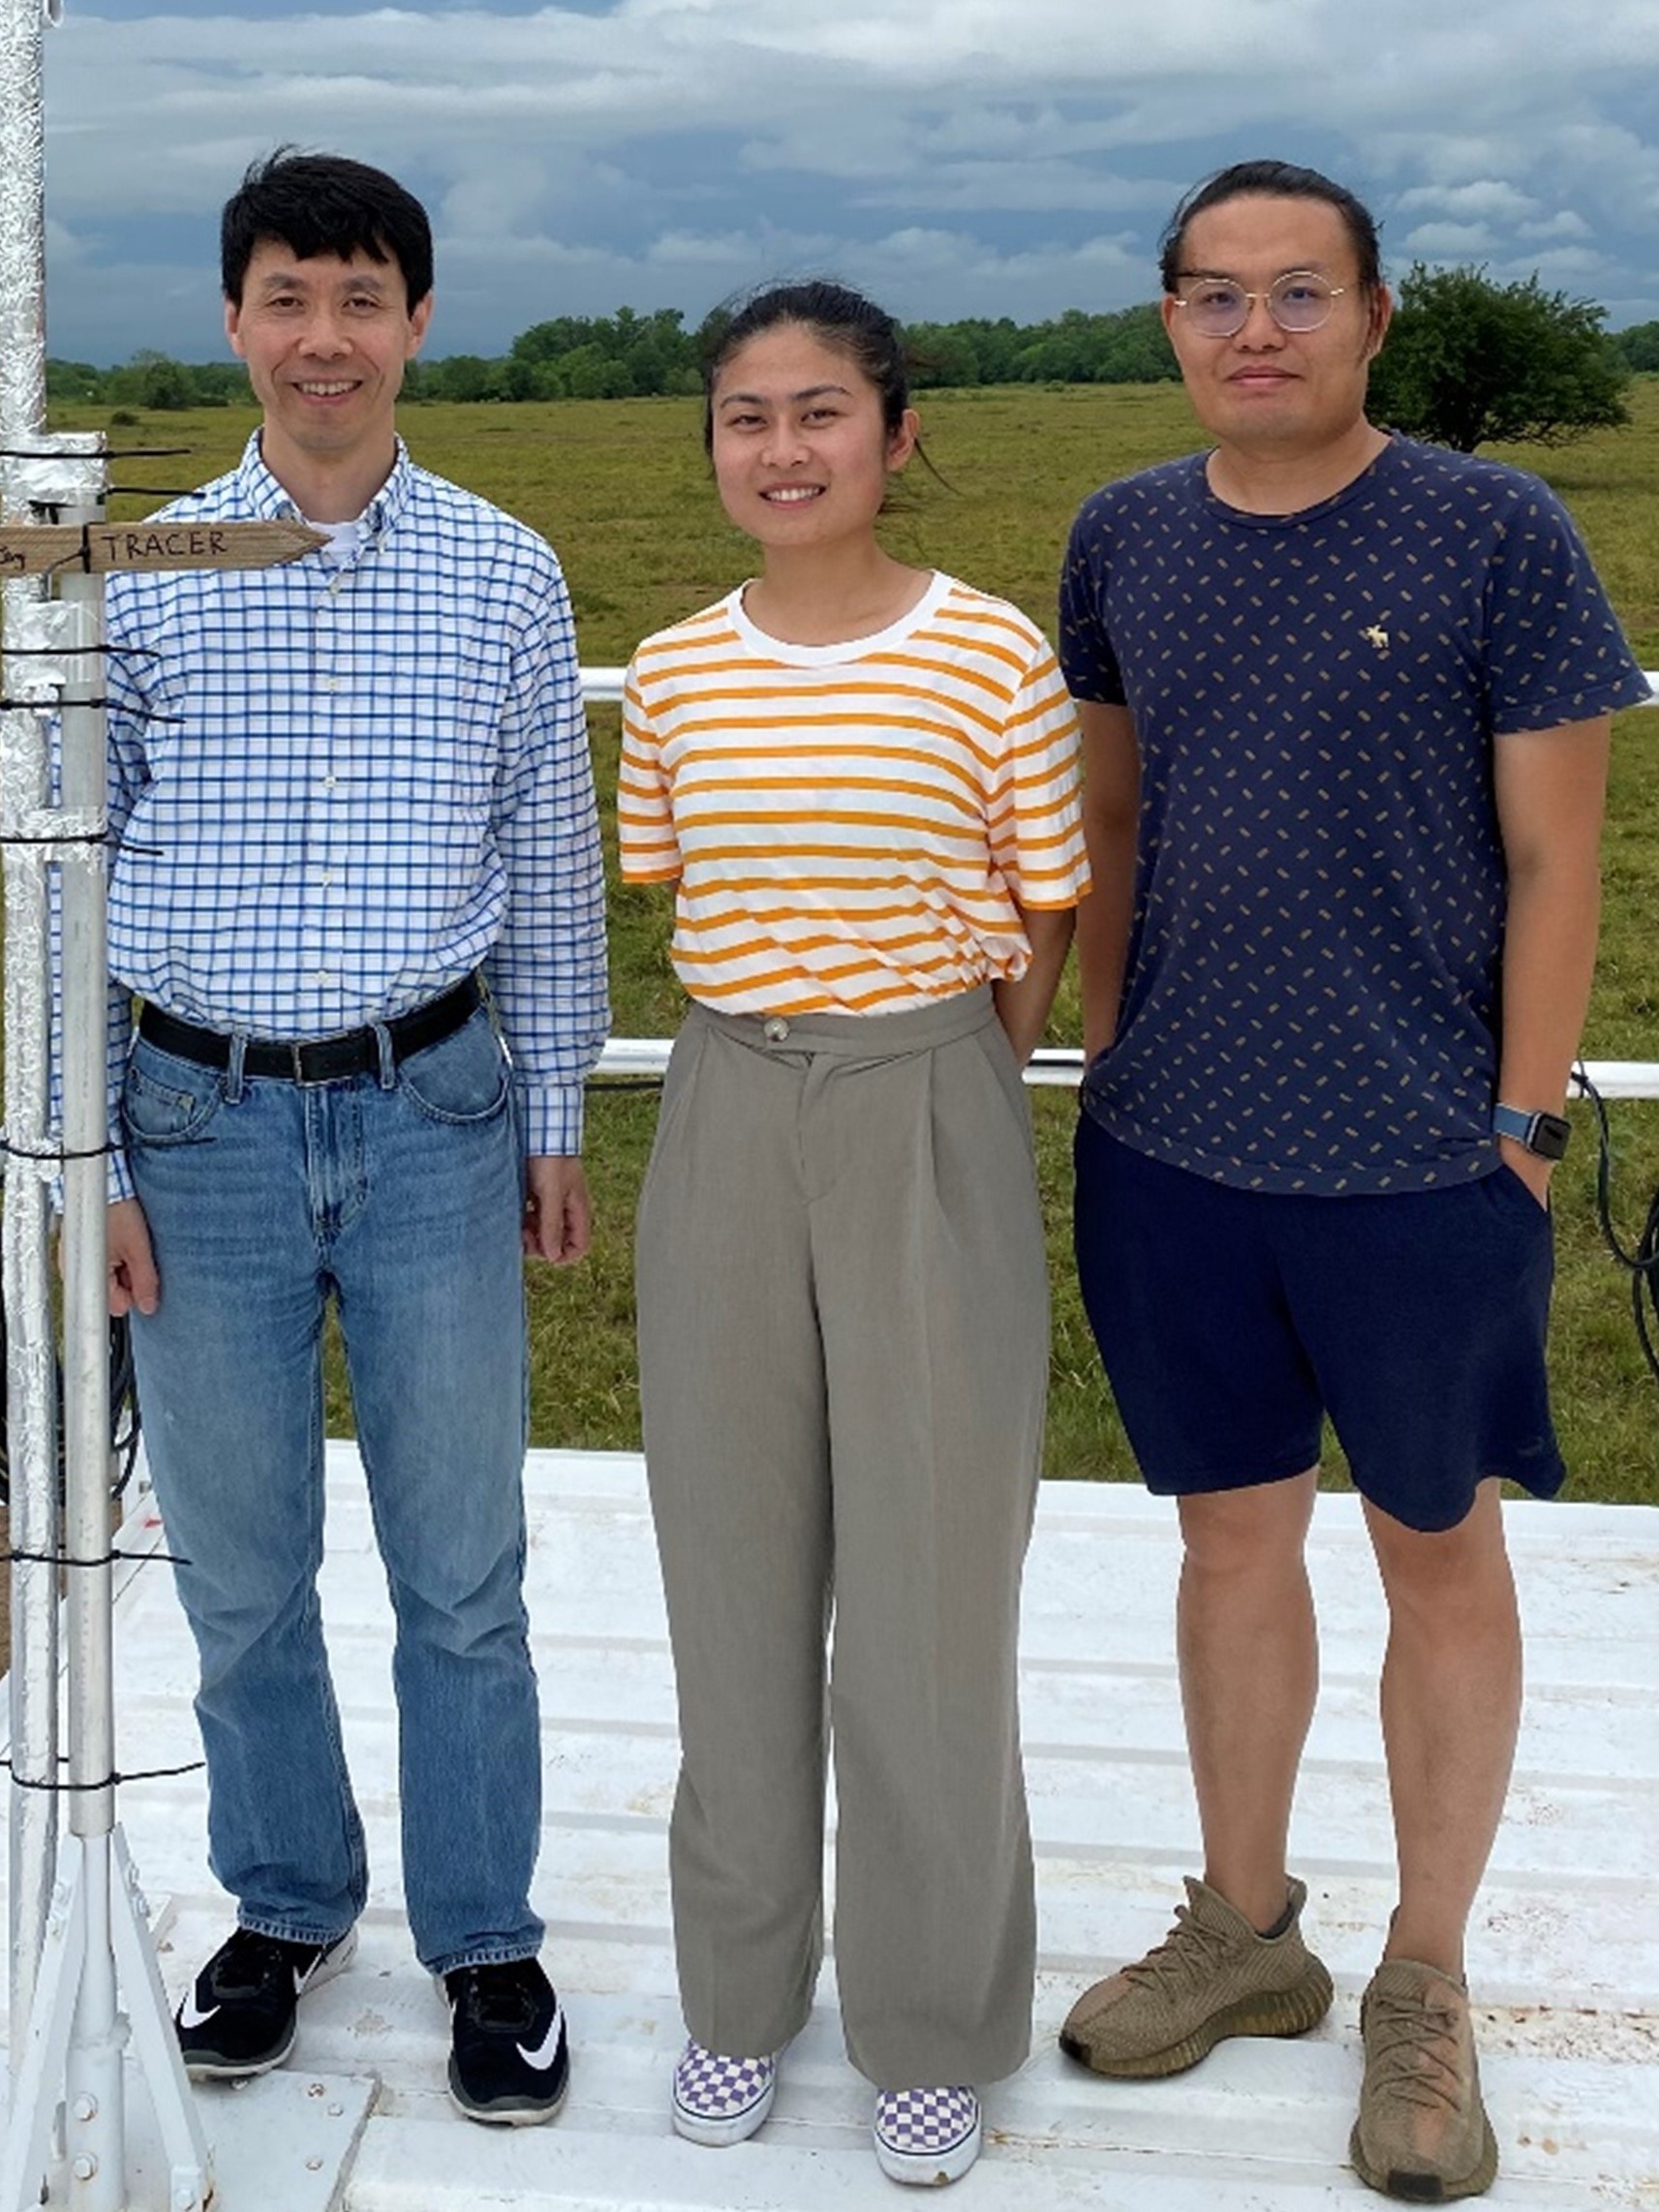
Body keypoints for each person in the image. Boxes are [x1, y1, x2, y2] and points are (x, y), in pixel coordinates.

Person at [1056, 159, 1649, 2202]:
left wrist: (1514, 1125)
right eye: (1211, 295)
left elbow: (1560, 855)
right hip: (1171, 1150)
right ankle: (1243, 1927)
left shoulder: (1494, 529)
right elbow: (1112, 807)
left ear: (1374, 314)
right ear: (1166, 321)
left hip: (1417, 1157)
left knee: (1431, 1548)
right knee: (1227, 1544)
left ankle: (1422, 1972)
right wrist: (1103, 1041)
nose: (1254, 331)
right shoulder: (1120, 533)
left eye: (1295, 292)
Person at [100, 150, 607, 2125]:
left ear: (415, 321)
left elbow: (549, 866)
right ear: (233, 318)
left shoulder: (501, 567)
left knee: (461, 1560)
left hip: (431, 1112)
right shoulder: (136, 568)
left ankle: (484, 1933)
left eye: (363, 296)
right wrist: (91, 1164)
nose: (326, 334)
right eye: (288, 294)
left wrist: (553, 1108)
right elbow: (50, 878)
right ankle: (286, 1898)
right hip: (194, 1114)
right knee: (235, 1559)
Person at [618, 280, 1089, 2187]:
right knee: (727, 1577)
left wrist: (939, 1092)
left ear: (893, 434)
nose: (784, 447)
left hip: (926, 1104)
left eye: (823, 410)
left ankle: (926, 2017)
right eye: (746, 414)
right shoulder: (669, 669)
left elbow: (1037, 921)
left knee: (921, 1593)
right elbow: (678, 886)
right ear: (713, 442)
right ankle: (738, 1996)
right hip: (727, 1104)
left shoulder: (988, 658)